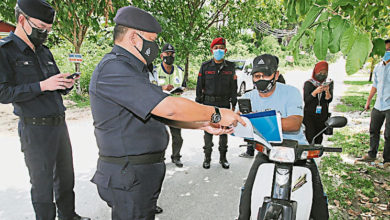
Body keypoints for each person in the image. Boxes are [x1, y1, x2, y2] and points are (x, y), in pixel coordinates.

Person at [89, 6, 245, 220]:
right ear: (134, 37)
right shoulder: (114, 68)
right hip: (128, 174)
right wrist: (216, 114)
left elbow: (156, 114)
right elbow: (169, 107)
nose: (154, 47)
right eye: (151, 40)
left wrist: (200, 124)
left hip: (139, 173)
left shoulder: (134, 69)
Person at [0, 1, 90, 220]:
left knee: (66, 178)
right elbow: (3, 93)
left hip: (59, 125)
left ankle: (68, 216)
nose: (45, 34)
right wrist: (42, 85)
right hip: (35, 129)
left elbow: (54, 84)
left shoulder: (44, 51)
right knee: (42, 185)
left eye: (48, 30)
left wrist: (64, 84)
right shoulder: (6, 51)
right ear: (22, 20)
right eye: (41, 28)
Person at [237, 54, 329, 220]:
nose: (261, 79)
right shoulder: (247, 97)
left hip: (298, 150)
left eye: (266, 75)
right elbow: (236, 121)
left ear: (276, 75)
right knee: (246, 199)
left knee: (319, 207)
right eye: (257, 76)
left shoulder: (291, 93)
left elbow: (294, 123)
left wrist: (253, 120)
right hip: (267, 151)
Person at [195, 37, 237, 169]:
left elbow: (234, 87)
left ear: (225, 50)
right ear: (212, 50)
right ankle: (207, 158)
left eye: (221, 48)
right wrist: (199, 104)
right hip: (208, 103)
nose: (218, 50)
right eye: (216, 48)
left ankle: (223, 158)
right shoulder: (205, 66)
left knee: (224, 132)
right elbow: (199, 86)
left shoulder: (230, 67)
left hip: (224, 103)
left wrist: (234, 104)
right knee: (208, 132)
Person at [153, 43, 186, 167]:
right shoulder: (155, 70)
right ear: (162, 55)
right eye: (167, 53)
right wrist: (162, 88)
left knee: (177, 136)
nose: (170, 56)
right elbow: (149, 87)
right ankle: (158, 158)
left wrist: (181, 89)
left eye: (172, 54)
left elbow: (184, 84)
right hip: (159, 107)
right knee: (159, 136)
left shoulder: (179, 70)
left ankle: (176, 157)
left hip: (175, 108)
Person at [358, 39, 390, 168]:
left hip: (389, 106)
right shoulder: (378, 67)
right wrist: (368, 100)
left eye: (389, 50)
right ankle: (372, 154)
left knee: (388, 134)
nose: (387, 52)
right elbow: (375, 85)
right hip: (379, 104)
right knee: (373, 130)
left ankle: (387, 159)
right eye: (385, 50)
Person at [303, 61, 333, 144]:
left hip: (322, 114)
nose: (322, 74)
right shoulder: (309, 84)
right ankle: (309, 154)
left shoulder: (329, 83)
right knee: (310, 136)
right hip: (310, 114)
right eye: (321, 72)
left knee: (319, 137)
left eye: (325, 72)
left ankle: (316, 153)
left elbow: (329, 100)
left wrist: (327, 91)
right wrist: (315, 92)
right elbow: (306, 100)